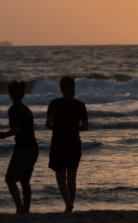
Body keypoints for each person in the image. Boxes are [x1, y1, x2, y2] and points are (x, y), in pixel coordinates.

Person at [46, 76, 88, 212]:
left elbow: (48, 124)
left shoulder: (54, 104)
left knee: (60, 176)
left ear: (61, 88)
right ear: (73, 87)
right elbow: (85, 126)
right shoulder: (80, 105)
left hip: (59, 142)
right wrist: (73, 128)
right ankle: (70, 204)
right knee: (72, 177)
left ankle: (68, 203)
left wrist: (58, 127)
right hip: (74, 142)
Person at [0, 80, 39, 214]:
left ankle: (20, 208)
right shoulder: (26, 109)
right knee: (25, 181)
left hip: (23, 147)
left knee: (10, 179)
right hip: (33, 147)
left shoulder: (14, 109)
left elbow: (16, 129)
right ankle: (26, 209)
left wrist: (3, 135)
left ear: (10, 94)